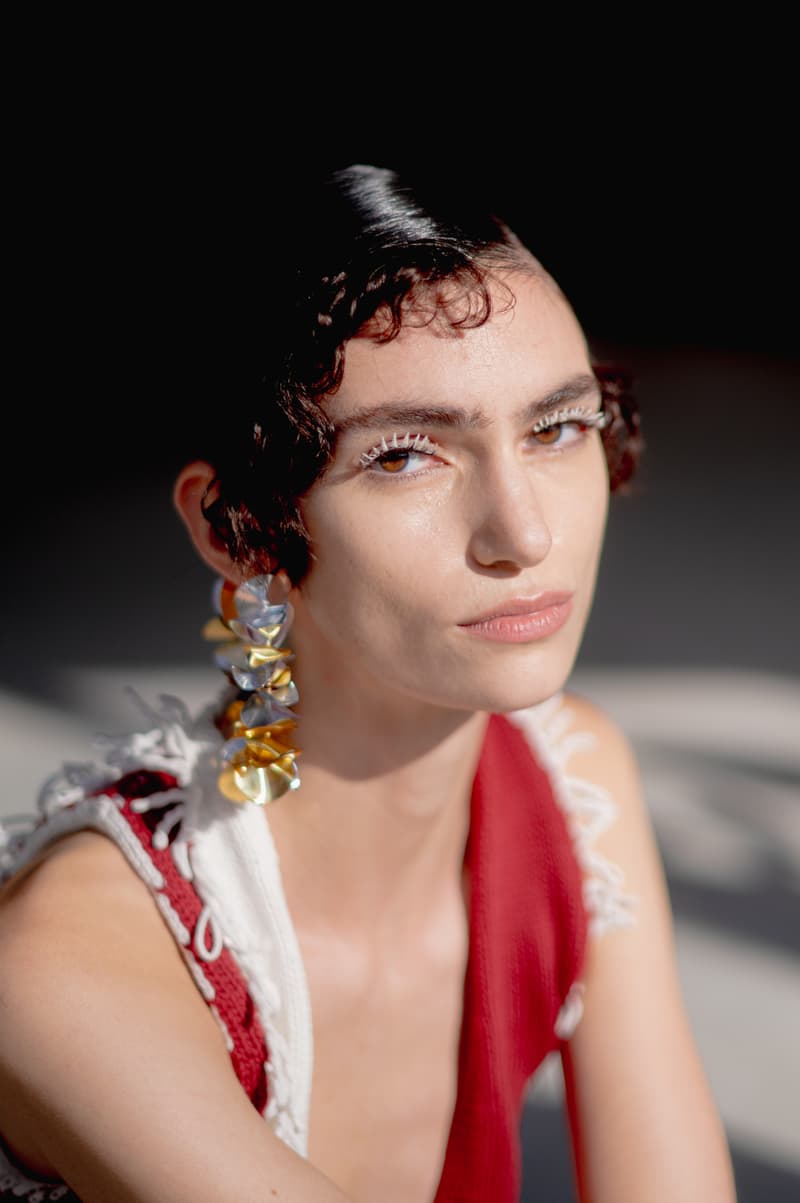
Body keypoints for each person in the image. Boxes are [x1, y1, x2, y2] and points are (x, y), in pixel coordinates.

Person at [0, 162, 737, 1203]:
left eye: (556, 428)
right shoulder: (70, 961)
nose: (524, 533)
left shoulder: (573, 779)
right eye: (403, 456)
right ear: (237, 530)